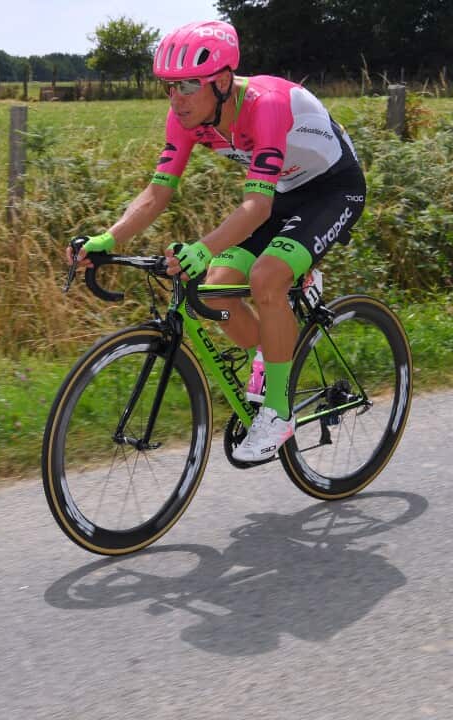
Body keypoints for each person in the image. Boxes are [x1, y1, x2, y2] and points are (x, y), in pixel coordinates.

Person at [70, 20, 365, 462]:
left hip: (333, 188)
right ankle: (274, 345)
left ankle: (279, 412)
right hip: (285, 192)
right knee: (216, 286)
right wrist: (105, 240)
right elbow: (156, 193)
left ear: (223, 82)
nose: (177, 98)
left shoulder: (266, 106)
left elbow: (256, 208)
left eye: (188, 85)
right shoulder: (185, 119)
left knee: (267, 278)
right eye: (169, 87)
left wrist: (201, 246)